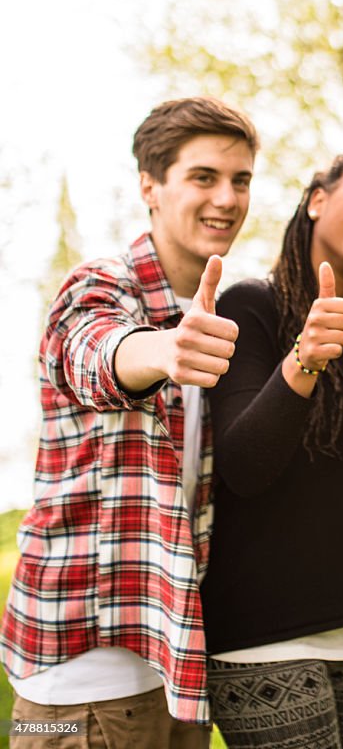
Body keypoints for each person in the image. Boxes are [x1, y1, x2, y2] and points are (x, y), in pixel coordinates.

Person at [2, 97, 259, 746]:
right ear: (150, 185)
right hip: (80, 691)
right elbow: (86, 350)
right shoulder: (104, 284)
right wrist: (159, 351)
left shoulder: (208, 308)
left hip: (169, 672)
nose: (226, 198)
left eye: (241, 179)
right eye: (203, 177)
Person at [199, 145, 343, 749]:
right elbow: (244, 465)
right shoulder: (251, 306)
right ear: (318, 199)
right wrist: (305, 357)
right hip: (265, 639)